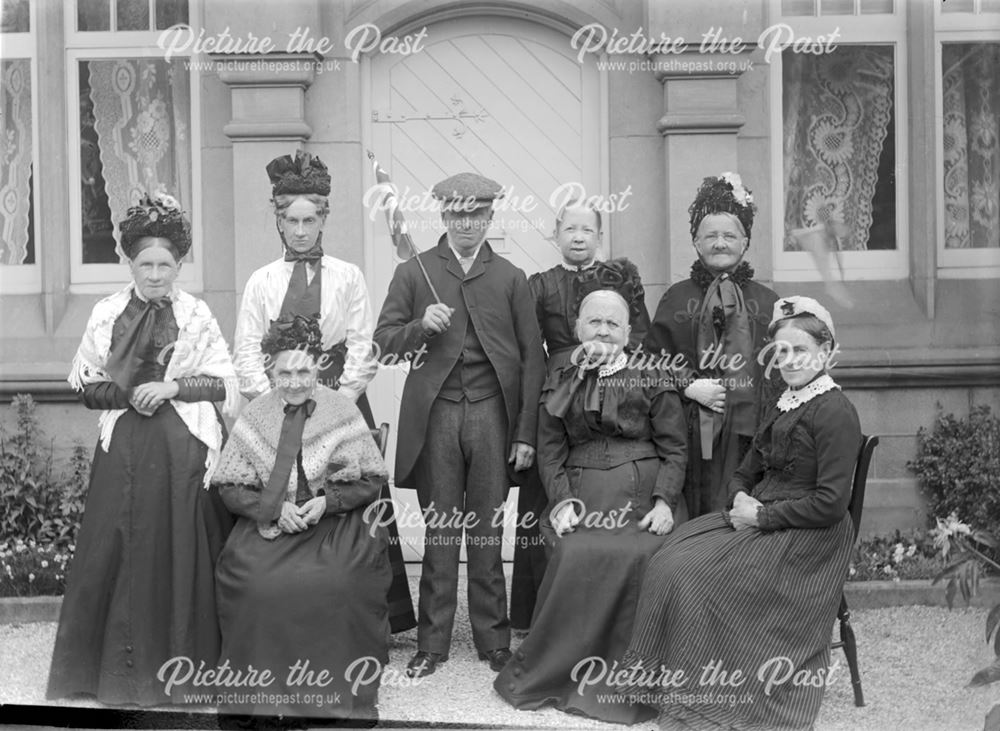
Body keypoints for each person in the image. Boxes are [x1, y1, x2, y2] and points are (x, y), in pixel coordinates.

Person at [622, 296, 862, 730]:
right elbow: (747, 467)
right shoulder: (787, 399)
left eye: (801, 351)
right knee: (670, 558)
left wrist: (764, 517)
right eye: (780, 352)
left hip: (809, 533)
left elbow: (831, 503)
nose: (790, 361)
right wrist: (738, 498)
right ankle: (670, 685)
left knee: (696, 576)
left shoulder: (834, 410)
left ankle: (712, 692)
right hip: (762, 512)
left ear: (826, 353)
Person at [48, 192, 238, 706]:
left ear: (179, 265)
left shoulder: (195, 313)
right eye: (145, 264)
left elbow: (224, 381)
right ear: (128, 263)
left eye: (165, 265)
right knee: (122, 543)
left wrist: (174, 387)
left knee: (180, 549)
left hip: (184, 449)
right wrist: (130, 392)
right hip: (127, 446)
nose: (156, 274)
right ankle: (119, 673)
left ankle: (187, 672)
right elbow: (87, 386)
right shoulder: (108, 312)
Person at [232, 149, 415, 634]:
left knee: (350, 487)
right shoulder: (262, 281)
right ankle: (286, 601)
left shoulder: (347, 276)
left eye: (309, 219)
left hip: (339, 397)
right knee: (288, 490)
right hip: (281, 400)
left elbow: (363, 345)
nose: (300, 230)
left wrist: (339, 402)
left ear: (324, 218)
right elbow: (247, 349)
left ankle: (370, 608)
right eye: (290, 220)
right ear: (278, 221)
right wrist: (270, 402)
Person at [374, 171, 545, 678]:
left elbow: (533, 361)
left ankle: (494, 641)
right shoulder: (416, 271)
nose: (467, 223)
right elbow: (383, 343)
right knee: (442, 530)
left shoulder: (511, 277)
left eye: (477, 214)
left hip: (494, 412)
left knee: (488, 532)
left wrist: (525, 434)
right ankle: (433, 643)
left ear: (490, 218)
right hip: (438, 415)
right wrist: (417, 327)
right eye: (457, 214)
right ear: (444, 216)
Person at [494, 288, 686, 725]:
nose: (602, 330)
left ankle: (631, 679)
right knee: (576, 551)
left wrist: (664, 501)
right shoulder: (561, 374)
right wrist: (561, 502)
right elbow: (549, 449)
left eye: (612, 324)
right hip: (580, 494)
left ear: (628, 332)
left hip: (643, 494)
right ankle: (559, 670)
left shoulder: (651, 374)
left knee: (639, 554)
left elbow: (675, 447)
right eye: (594, 322)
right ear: (578, 328)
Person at [212, 315, 391, 721]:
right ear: (271, 371)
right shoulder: (255, 414)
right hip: (270, 520)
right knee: (254, 580)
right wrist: (274, 508)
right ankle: (260, 697)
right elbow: (230, 486)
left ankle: (335, 698)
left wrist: (328, 501)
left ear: (319, 368)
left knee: (337, 581)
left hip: (335, 521)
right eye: (285, 372)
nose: (294, 381)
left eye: (304, 370)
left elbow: (371, 478)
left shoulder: (342, 410)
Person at [510, 200, 653, 629]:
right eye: (569, 229)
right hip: (558, 383)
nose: (578, 237)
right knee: (544, 492)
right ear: (556, 235)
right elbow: (526, 344)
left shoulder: (619, 281)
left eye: (586, 230)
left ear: (598, 237)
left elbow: (641, 336)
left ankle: (610, 612)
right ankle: (536, 613)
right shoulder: (540, 285)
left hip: (614, 380)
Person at [646, 173, 780, 520]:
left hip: (749, 433)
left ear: (745, 241)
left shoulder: (767, 303)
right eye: (711, 236)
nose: (720, 243)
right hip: (689, 431)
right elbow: (648, 361)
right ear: (696, 241)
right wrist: (689, 385)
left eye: (729, 235)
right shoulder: (676, 298)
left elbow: (782, 368)